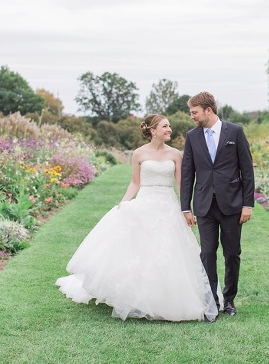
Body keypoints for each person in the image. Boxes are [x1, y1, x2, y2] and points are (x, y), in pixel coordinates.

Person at [56, 114, 218, 322]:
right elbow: (135, 182)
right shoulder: (139, 154)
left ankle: (166, 297)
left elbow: (181, 185)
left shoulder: (175, 154)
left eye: (169, 126)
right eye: (165, 126)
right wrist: (123, 202)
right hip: (146, 202)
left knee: (169, 249)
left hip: (168, 204)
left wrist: (185, 208)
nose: (170, 129)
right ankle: (136, 296)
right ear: (153, 130)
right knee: (142, 249)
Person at [181, 91, 255, 317]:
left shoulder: (235, 131)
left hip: (232, 204)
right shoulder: (192, 136)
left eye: (194, 112)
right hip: (205, 205)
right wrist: (185, 207)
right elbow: (187, 173)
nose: (192, 116)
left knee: (232, 253)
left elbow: (247, 170)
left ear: (208, 110)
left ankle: (229, 300)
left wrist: (248, 204)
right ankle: (211, 301)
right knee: (207, 253)